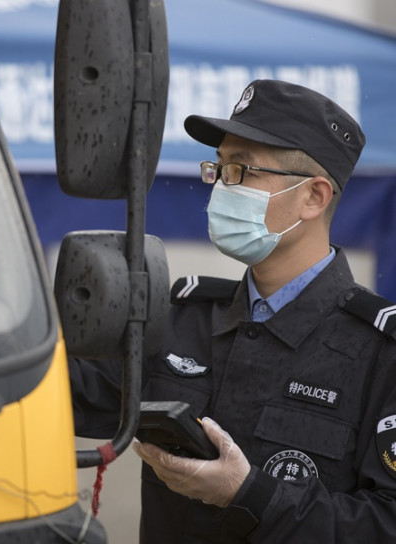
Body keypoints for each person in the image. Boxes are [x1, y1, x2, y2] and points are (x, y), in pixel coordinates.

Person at [68, 79, 396, 542]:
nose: (222, 186)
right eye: (219, 168)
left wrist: (250, 494)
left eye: (243, 170)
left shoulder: (381, 352)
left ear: (313, 197)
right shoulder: (183, 315)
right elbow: (66, 392)